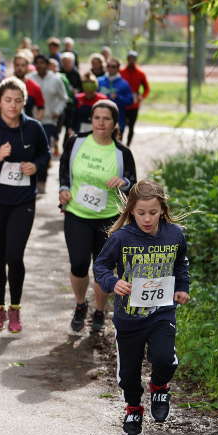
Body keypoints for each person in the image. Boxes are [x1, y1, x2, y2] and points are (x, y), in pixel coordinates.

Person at [94, 180, 190, 435]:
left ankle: (159, 386)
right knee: (128, 372)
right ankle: (133, 407)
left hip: (161, 312)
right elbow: (101, 266)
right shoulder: (121, 238)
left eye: (153, 212)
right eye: (141, 213)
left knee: (163, 358)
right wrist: (113, 282)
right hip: (129, 318)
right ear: (131, 211)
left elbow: (181, 264)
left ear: (162, 209)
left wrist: (182, 287)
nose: (147, 219)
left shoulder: (174, 234)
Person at [0, 77, 50, 333]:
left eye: (18, 100)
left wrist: (36, 166)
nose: (13, 105)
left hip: (22, 201)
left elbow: (45, 154)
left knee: (14, 256)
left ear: (24, 102)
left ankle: (15, 308)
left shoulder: (34, 128)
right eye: (8, 100)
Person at [59, 100, 137, 334]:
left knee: (103, 269)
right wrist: (63, 188)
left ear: (114, 123)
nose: (101, 123)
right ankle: (81, 304)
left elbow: (132, 183)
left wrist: (123, 183)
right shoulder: (76, 142)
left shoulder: (122, 153)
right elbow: (64, 168)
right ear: (91, 120)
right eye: (97, 118)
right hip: (77, 213)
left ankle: (100, 312)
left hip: (109, 219)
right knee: (79, 263)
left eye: (106, 119)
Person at [26, 54, 68, 190]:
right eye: (37, 63)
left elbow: (63, 98)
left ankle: (41, 181)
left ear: (47, 64)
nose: (39, 65)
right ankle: (32, 180)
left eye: (42, 63)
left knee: (45, 150)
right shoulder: (30, 79)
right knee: (31, 151)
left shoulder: (56, 79)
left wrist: (58, 110)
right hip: (31, 120)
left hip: (49, 120)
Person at [119, 50, 151, 146]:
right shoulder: (121, 72)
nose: (131, 61)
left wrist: (142, 96)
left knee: (131, 126)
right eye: (130, 59)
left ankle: (128, 145)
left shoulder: (140, 73)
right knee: (121, 126)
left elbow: (147, 88)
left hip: (134, 104)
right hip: (123, 103)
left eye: (133, 59)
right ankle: (119, 144)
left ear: (136, 60)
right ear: (127, 59)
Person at [98, 58, 134, 137]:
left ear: (118, 68)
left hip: (117, 121)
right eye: (108, 66)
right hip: (100, 122)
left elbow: (130, 101)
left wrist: (118, 97)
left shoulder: (124, 84)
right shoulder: (99, 81)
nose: (110, 68)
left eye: (113, 66)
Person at [11, 52, 44, 119]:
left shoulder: (35, 87)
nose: (20, 68)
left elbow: (41, 108)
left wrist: (35, 123)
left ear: (27, 67)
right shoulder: (5, 84)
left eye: (23, 65)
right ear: (14, 66)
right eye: (17, 65)